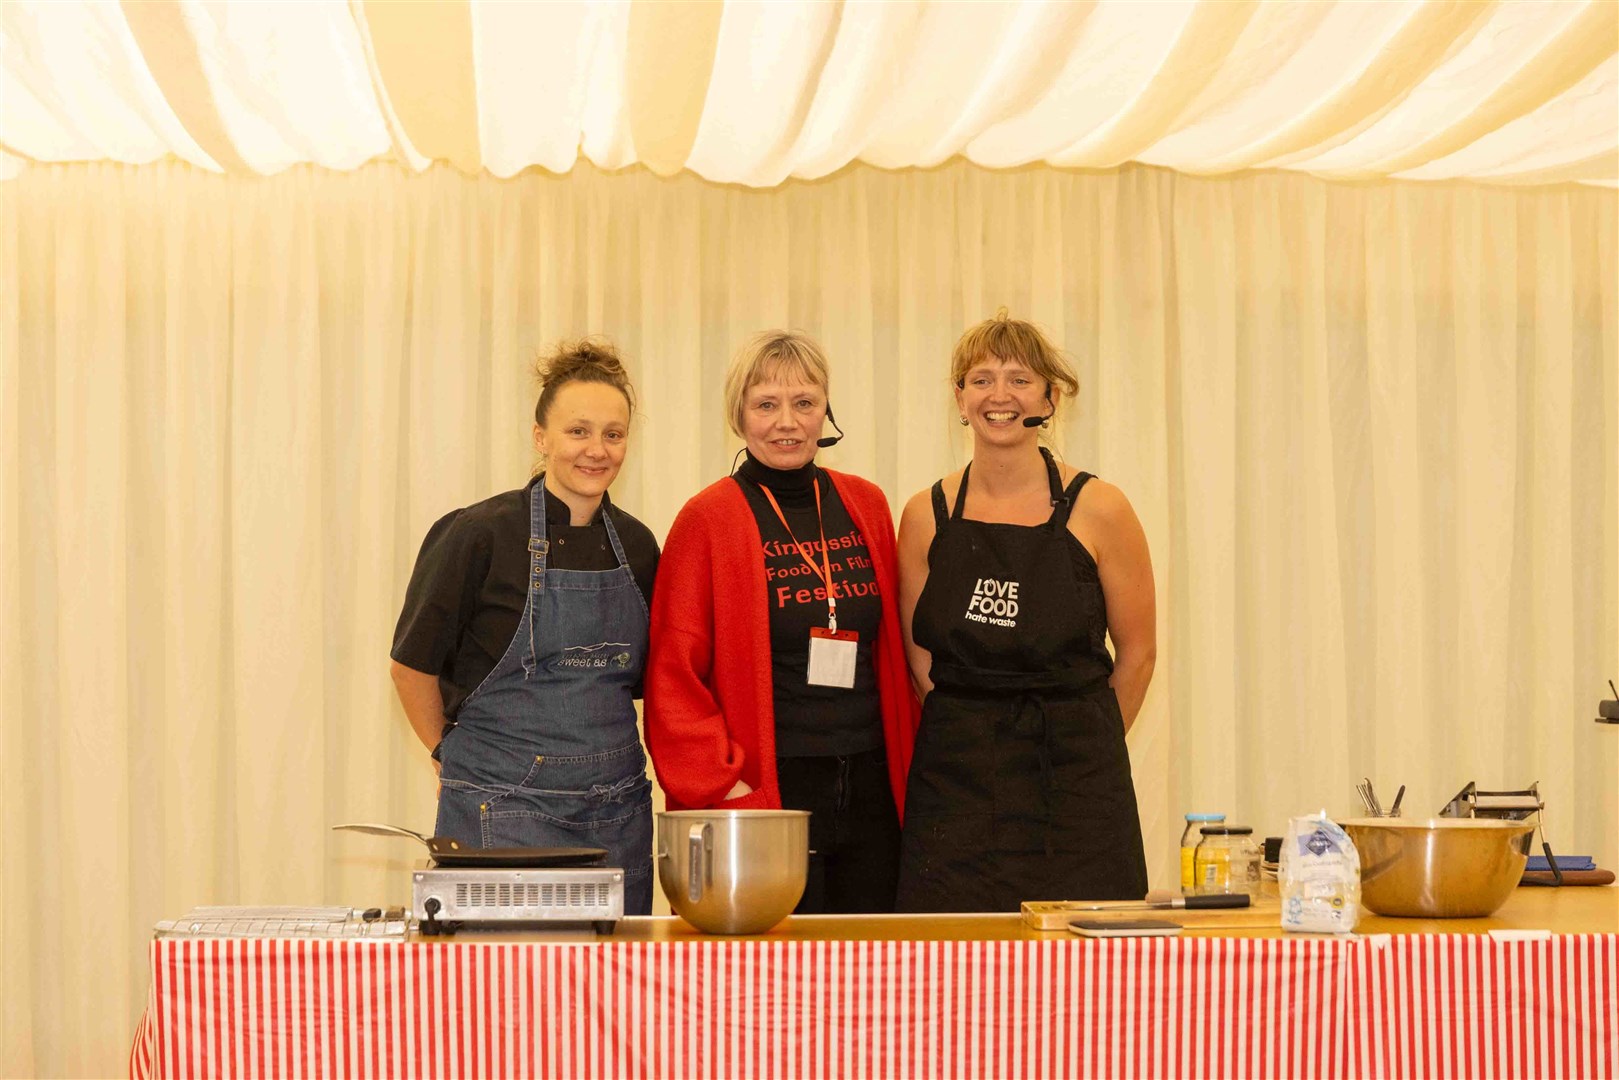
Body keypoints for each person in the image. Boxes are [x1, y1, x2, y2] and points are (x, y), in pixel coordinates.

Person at [644, 331, 919, 913]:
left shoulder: (866, 503)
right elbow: (673, 674)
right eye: (766, 404)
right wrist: (723, 784)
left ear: (826, 409)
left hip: (873, 782)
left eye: (804, 402)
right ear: (738, 416)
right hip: (771, 794)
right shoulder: (707, 519)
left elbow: (896, 648)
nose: (787, 422)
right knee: (778, 982)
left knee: (873, 972)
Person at [894, 311, 1155, 911]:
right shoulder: (924, 514)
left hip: (1077, 786)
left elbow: (1139, 656)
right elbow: (920, 661)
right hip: (955, 786)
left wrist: (1084, 747)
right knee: (950, 968)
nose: (1000, 396)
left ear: (1050, 397)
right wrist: (977, 733)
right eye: (981, 379)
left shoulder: (1102, 509)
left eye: (1020, 379)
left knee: (1087, 978)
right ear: (960, 398)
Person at [389, 340, 660, 913]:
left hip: (615, 815)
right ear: (541, 437)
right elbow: (411, 667)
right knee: (500, 995)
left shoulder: (638, 547)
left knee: (612, 994)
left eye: (613, 434)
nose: (597, 450)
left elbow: (647, 682)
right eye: (578, 431)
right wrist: (448, 755)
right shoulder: (477, 535)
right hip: (499, 809)